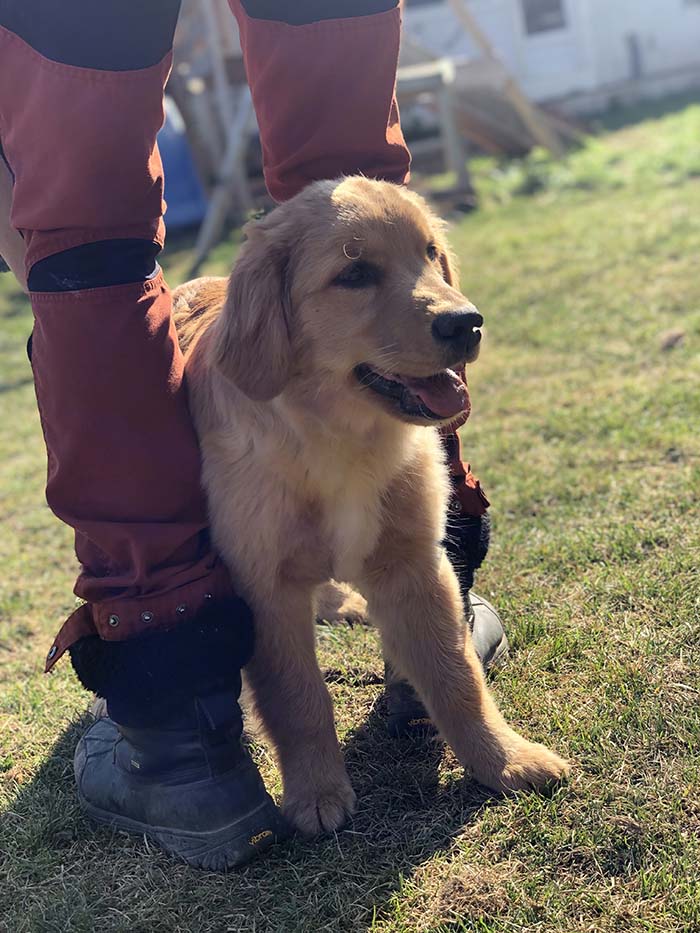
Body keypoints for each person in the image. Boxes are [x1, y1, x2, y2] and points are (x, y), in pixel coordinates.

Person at [0, 0, 507, 871]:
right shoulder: (254, 367)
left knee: (87, 232)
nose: (445, 299)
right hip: (268, 442)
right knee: (335, 122)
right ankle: (180, 706)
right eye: (357, 275)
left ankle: (171, 713)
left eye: (432, 257)